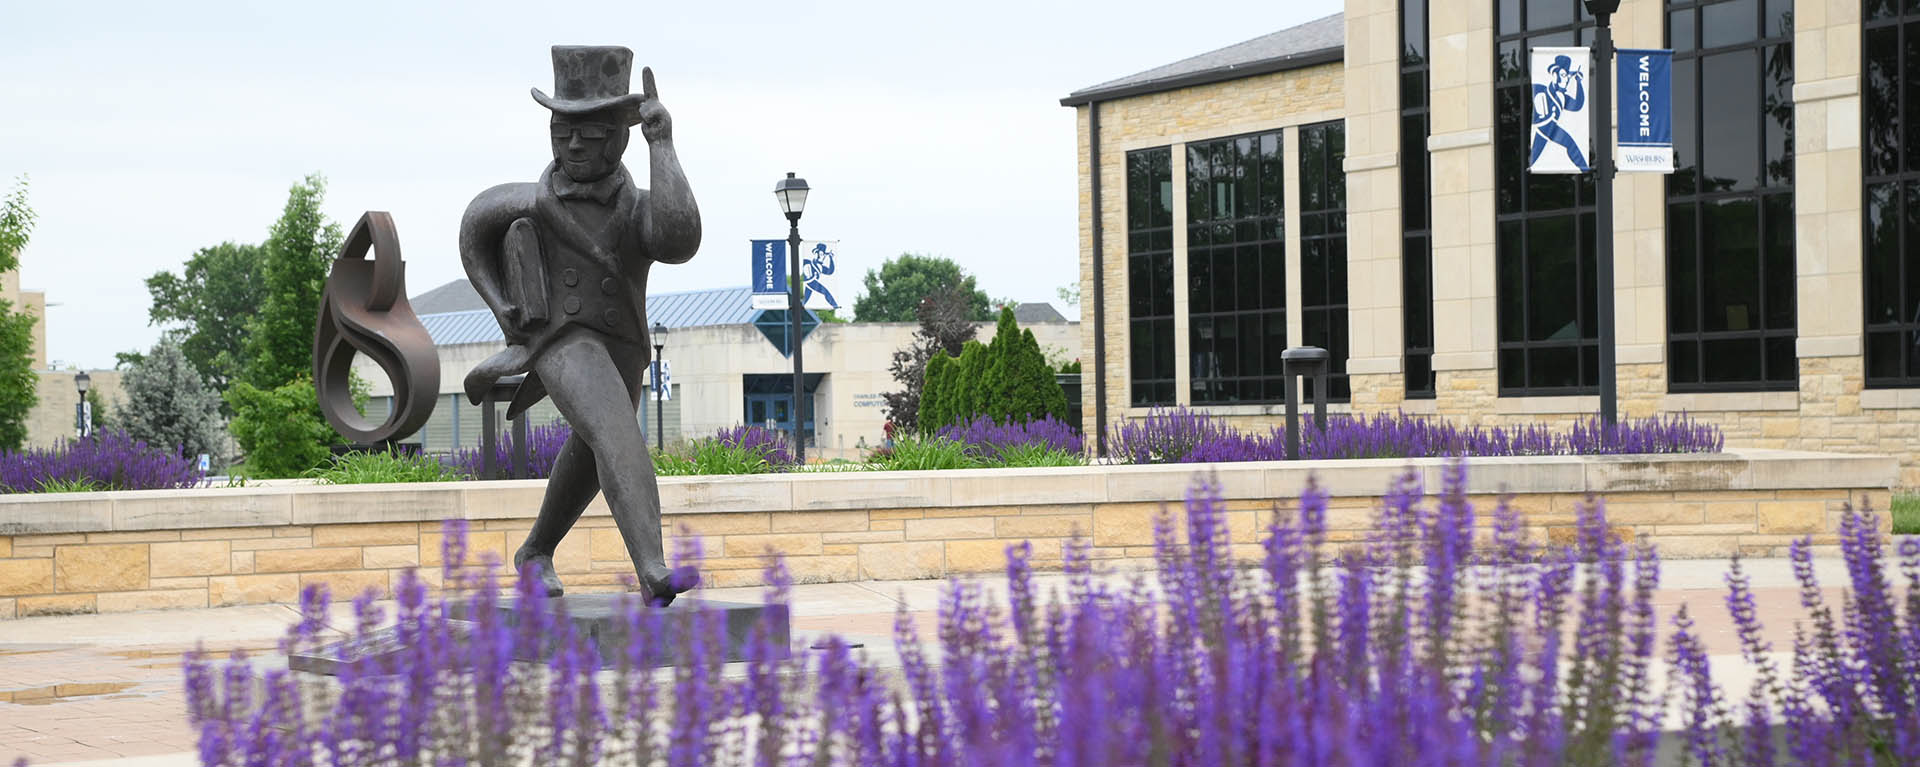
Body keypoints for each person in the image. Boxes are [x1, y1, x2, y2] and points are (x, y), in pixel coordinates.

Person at [458, 46, 701, 605]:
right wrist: (502, 307)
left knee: (591, 450)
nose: (571, 144)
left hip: (625, 349)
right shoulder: (530, 202)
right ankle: (653, 569)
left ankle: (535, 550)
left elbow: (679, 239)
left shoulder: (638, 207)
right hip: (561, 340)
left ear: (619, 138)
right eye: (560, 132)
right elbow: (473, 231)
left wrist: (661, 145)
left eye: (587, 136)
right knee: (617, 434)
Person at [1529, 54, 1589, 172]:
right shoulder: (1544, 92)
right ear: (1555, 76)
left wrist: (1579, 82)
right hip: (1545, 128)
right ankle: (1585, 169)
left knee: (1569, 144)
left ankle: (1584, 169)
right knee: (1537, 156)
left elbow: (1578, 104)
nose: (1566, 79)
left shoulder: (1563, 96)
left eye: (1567, 75)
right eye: (1563, 75)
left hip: (1552, 129)